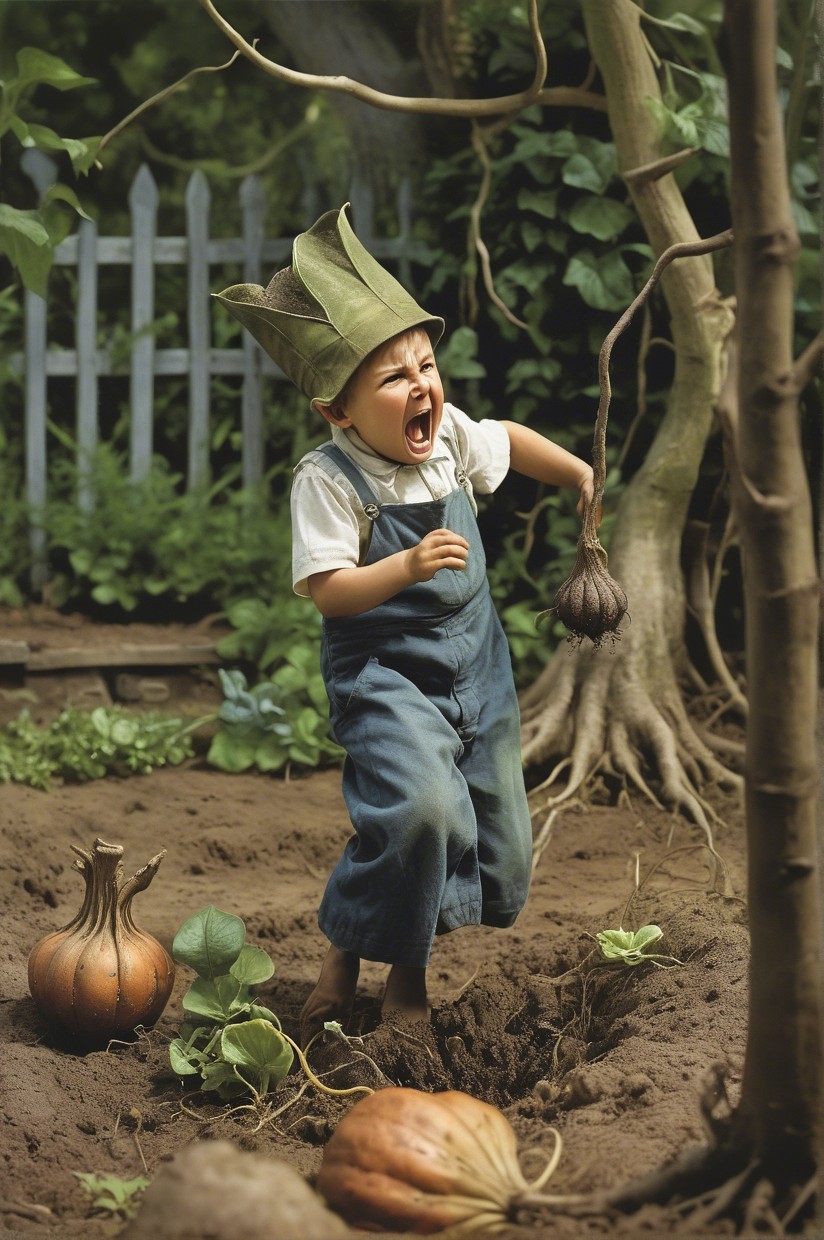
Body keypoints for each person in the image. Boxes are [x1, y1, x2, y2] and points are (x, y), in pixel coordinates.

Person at [216, 204, 594, 1042]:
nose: (423, 385)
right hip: (385, 676)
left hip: (478, 673)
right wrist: (407, 566)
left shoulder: (448, 437)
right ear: (338, 412)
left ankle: (348, 942)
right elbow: (326, 590)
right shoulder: (331, 479)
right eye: (395, 378)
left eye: (426, 363)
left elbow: (505, 436)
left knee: (500, 844)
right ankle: (402, 982)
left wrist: (577, 475)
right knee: (427, 815)